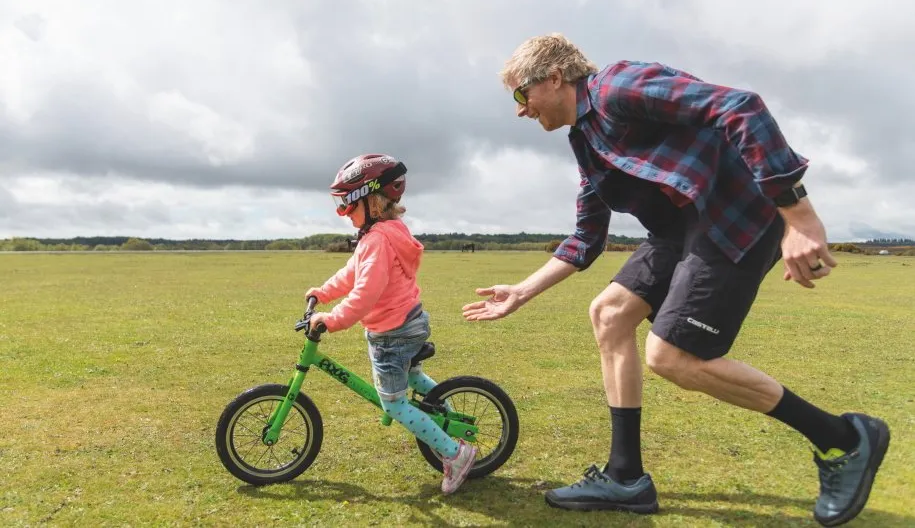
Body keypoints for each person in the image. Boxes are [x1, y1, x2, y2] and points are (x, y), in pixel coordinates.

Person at [461, 34, 889, 526]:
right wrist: (522, 290)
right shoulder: (586, 142)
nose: (520, 110)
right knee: (609, 313)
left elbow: (740, 107)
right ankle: (626, 478)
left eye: (521, 95)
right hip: (677, 232)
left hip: (732, 216)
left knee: (673, 357)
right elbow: (586, 237)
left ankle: (846, 439)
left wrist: (800, 217)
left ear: (555, 77)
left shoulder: (618, 85)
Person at [307, 153, 478, 494]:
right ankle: (448, 418)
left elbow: (366, 293)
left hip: (393, 332)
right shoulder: (383, 233)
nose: (343, 213)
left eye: (346, 204)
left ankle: (455, 453)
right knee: (412, 377)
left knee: (394, 403)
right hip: (408, 320)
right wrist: (323, 293)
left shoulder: (377, 240)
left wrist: (333, 319)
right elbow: (351, 274)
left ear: (370, 200)